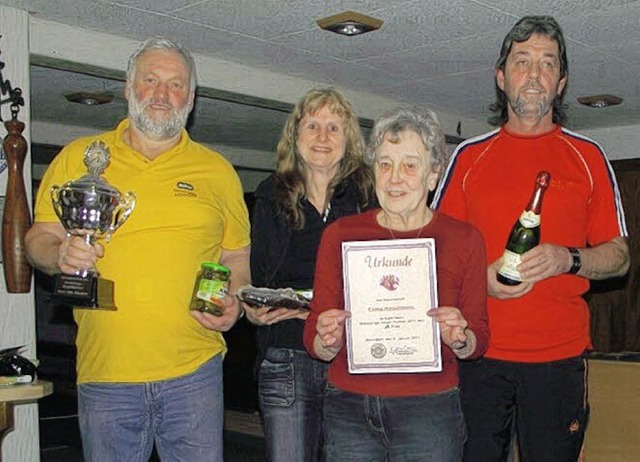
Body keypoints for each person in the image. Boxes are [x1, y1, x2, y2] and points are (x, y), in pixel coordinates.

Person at [25, 37, 250, 462]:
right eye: (150, 80)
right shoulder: (80, 158)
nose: (162, 94)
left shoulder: (217, 171)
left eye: (176, 84)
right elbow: (38, 238)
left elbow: (236, 257)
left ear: (192, 97)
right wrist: (58, 255)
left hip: (195, 374)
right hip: (106, 375)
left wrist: (233, 300)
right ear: (128, 87)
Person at [431, 16, 630, 462]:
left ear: (560, 82)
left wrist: (568, 259)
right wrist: (479, 278)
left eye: (547, 64)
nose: (535, 74)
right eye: (522, 62)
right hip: (476, 353)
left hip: (558, 359)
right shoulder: (468, 158)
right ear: (502, 78)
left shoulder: (588, 157)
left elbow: (619, 257)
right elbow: (434, 254)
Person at [303, 106, 490, 461]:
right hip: (348, 407)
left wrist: (460, 338)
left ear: (433, 174)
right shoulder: (340, 235)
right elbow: (315, 334)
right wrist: (327, 341)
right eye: (385, 164)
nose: (394, 178)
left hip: (429, 412)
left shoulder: (465, 238)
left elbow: (478, 336)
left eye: (409, 165)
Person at [245, 87, 374, 462]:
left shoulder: (368, 198)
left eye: (334, 127)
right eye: (313, 125)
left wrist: (309, 304)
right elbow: (260, 281)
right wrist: (255, 307)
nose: (322, 137)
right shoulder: (270, 196)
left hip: (352, 358)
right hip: (287, 353)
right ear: (295, 134)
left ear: (349, 139)